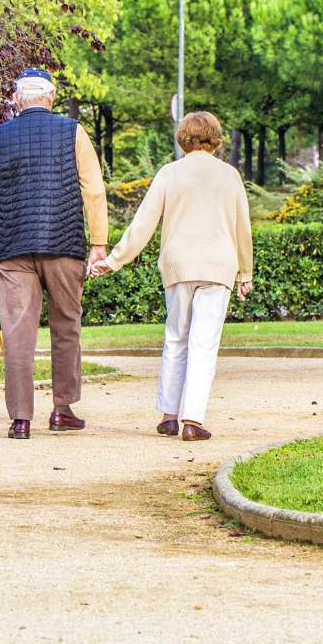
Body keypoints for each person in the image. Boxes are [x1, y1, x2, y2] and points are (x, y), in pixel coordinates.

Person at [0, 68, 110, 440]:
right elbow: (93, 191)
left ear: (17, 99)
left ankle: (20, 419)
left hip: (12, 247)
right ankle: (62, 410)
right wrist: (98, 243)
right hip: (63, 244)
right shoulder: (72, 131)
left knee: (17, 332)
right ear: (52, 96)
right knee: (66, 325)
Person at [92, 112, 253, 442]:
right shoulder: (230, 175)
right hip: (218, 268)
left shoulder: (169, 173)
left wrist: (114, 260)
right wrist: (245, 272)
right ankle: (192, 420)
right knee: (203, 343)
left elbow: (143, 224)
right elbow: (242, 229)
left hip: (178, 267)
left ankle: (168, 416)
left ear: (184, 138)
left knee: (176, 338)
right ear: (215, 138)